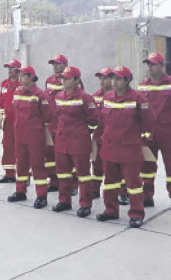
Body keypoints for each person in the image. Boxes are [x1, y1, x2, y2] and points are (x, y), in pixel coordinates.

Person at [96, 66, 155, 228]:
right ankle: (111, 210)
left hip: (129, 149)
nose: (114, 82)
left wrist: (140, 142)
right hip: (109, 147)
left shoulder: (138, 98)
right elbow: (102, 121)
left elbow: (148, 122)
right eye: (112, 78)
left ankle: (136, 213)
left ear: (128, 81)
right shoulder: (107, 97)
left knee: (133, 184)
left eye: (118, 79)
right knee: (110, 182)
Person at [51, 66, 98, 217]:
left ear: (77, 80)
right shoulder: (59, 96)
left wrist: (83, 133)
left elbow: (94, 121)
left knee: (83, 175)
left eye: (67, 78)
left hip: (79, 141)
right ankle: (64, 201)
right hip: (62, 140)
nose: (63, 80)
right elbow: (56, 117)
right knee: (63, 173)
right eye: (62, 78)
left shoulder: (85, 98)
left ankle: (85, 204)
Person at [7, 66, 51, 208]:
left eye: (24, 75)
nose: (21, 78)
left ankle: (41, 195)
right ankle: (20, 191)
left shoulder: (40, 95)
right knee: (21, 164)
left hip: (35, 135)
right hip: (20, 134)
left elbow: (47, 115)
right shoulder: (18, 92)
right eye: (20, 75)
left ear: (32, 77)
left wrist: (38, 128)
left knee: (37, 165)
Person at [138, 52, 171, 206]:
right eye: (148, 64)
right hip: (148, 133)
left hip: (167, 133)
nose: (149, 67)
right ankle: (147, 196)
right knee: (147, 166)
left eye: (153, 64)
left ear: (162, 65)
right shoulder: (142, 85)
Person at [91, 67, 128, 202]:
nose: (102, 81)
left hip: (114, 136)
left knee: (119, 165)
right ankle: (95, 189)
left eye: (105, 78)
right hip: (98, 135)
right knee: (96, 163)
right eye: (100, 78)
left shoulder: (118, 96)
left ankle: (123, 192)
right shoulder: (95, 95)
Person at [45, 54, 68, 191]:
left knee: (65, 155)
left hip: (63, 124)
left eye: (58, 64)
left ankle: (71, 184)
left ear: (65, 65)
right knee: (50, 154)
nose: (55, 66)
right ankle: (54, 181)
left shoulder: (71, 80)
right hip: (51, 123)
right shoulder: (49, 80)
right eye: (53, 64)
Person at [0, 59, 22, 183]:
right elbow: (0, 102)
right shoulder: (4, 84)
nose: (9, 70)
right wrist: (1, 119)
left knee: (21, 149)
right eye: (8, 68)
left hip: (20, 122)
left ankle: (24, 175)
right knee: (7, 147)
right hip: (8, 122)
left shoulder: (23, 84)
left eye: (12, 68)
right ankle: (9, 174)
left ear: (18, 69)